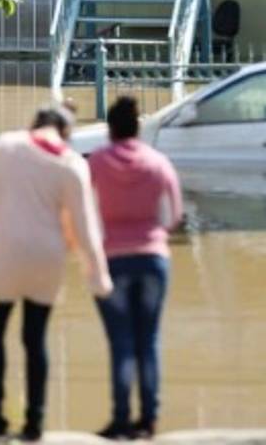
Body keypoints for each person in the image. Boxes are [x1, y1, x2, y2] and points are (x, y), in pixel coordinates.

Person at [0, 105, 112, 442]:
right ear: (66, 133)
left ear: (35, 124)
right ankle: (35, 421)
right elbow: (86, 227)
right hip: (48, 258)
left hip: (3, 255)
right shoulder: (73, 163)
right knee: (35, 339)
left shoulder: (6, 145)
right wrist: (97, 272)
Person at [88, 97, 183, 440]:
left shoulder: (97, 162)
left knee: (121, 343)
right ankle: (150, 419)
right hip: (153, 260)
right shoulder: (158, 163)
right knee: (149, 340)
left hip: (112, 260)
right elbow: (172, 216)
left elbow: (85, 213)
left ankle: (121, 419)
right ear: (137, 129)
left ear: (110, 129)